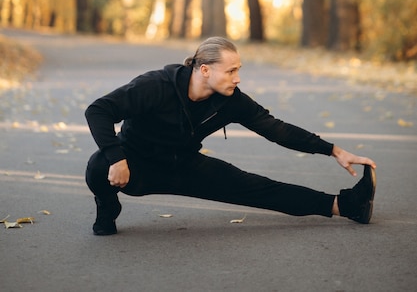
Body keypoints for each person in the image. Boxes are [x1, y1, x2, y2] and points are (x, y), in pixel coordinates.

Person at [85, 36, 377, 236]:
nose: (237, 78)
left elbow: (276, 129)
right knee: (98, 167)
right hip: (136, 166)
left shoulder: (231, 100)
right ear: (204, 70)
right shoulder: (155, 86)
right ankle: (108, 206)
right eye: (231, 71)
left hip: (183, 166)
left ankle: (346, 205)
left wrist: (334, 150)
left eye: (238, 70)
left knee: (258, 187)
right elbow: (98, 110)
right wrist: (117, 157)